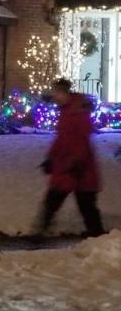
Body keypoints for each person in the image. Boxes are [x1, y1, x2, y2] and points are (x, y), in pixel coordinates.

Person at [36, 78, 106, 237]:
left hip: (80, 168)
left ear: (64, 93)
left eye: (56, 93)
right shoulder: (67, 111)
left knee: (86, 205)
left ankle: (99, 238)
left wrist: (76, 162)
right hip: (67, 166)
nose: (54, 96)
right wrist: (50, 158)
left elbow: (82, 141)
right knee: (53, 200)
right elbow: (61, 139)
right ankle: (39, 232)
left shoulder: (78, 113)